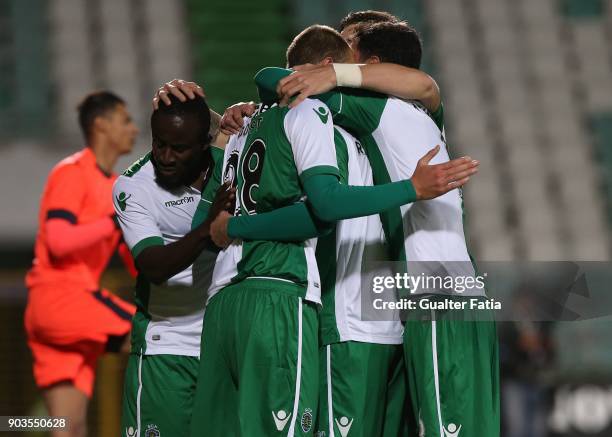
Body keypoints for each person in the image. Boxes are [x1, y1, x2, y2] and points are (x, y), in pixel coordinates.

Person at [256, 20, 500, 437]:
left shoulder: (379, 108)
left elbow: (277, 80)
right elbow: (426, 87)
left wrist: (325, 76)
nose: (334, 60)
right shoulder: (423, 116)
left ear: (371, 64)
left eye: (346, 48)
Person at [113, 94, 233, 437]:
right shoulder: (134, 187)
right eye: (158, 144)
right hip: (165, 352)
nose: (165, 157)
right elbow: (154, 266)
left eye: (178, 148)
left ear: (204, 145)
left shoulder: (229, 163)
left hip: (220, 352)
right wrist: (207, 227)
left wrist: (239, 113)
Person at [24, 91, 139, 437]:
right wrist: (116, 221)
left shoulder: (118, 185)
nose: (134, 129)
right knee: (158, 337)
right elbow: (59, 241)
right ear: (100, 125)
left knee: (67, 426)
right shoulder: (72, 172)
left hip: (54, 313)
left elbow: (135, 261)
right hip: (64, 299)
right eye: (126, 120)